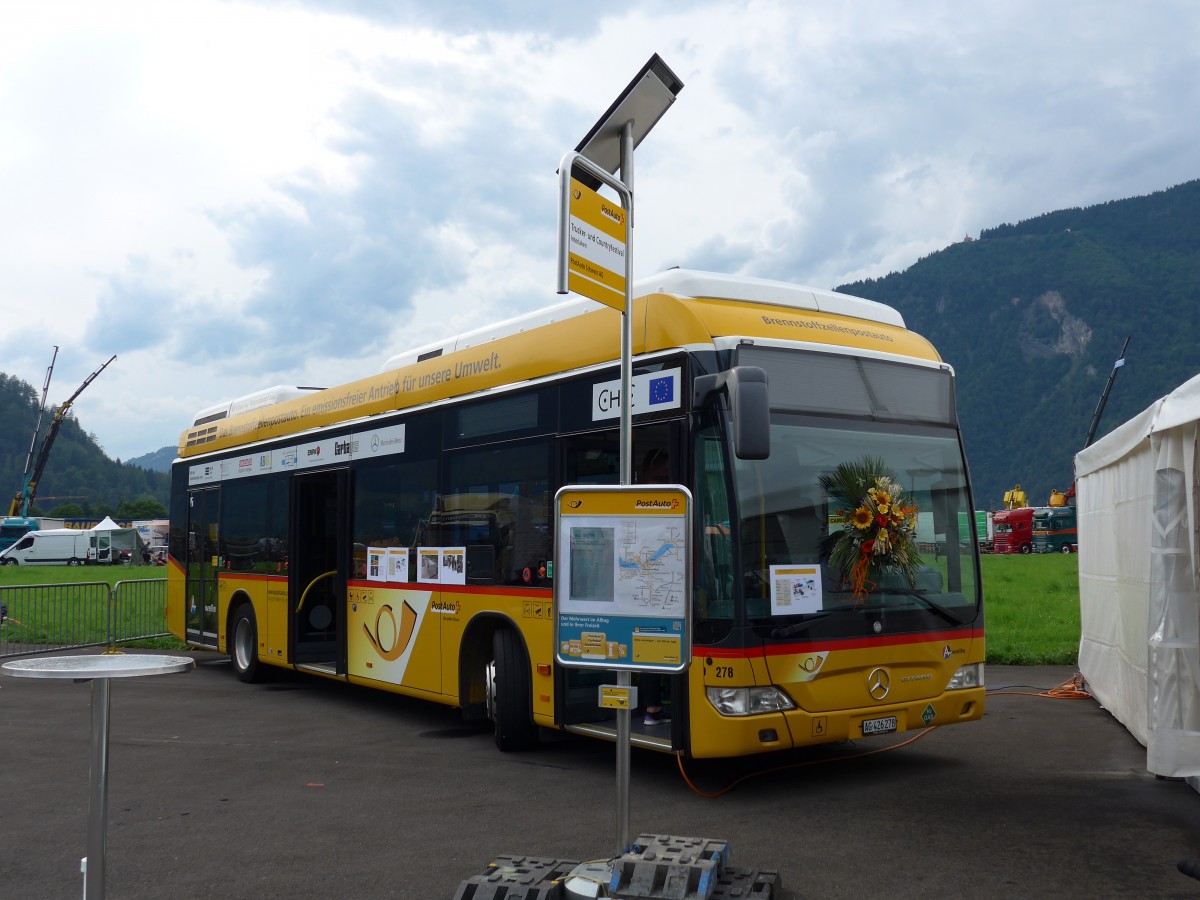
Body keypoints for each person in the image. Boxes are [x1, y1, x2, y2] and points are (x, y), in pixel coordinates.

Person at [637, 446, 671, 726]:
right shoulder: (642, 503)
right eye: (659, 479)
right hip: (650, 586)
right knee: (651, 645)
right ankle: (653, 709)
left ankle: (656, 707)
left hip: (661, 583)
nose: (664, 484)